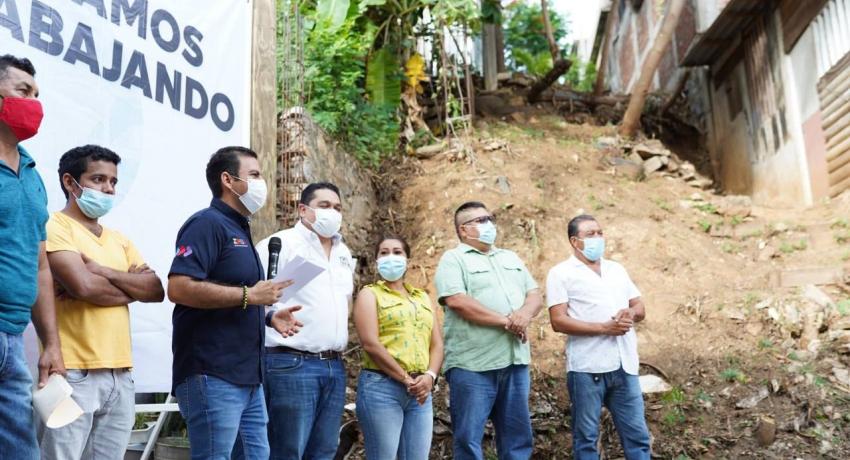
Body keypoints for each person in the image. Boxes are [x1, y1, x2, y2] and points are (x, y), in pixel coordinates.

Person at [167, 146, 301, 460]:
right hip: (212, 373)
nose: (261, 183)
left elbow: (235, 294)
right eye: (254, 175)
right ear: (227, 180)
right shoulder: (206, 224)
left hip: (249, 377)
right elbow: (179, 287)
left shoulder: (239, 228)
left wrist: (267, 317)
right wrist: (250, 296)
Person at [39, 145, 165, 459]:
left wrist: (103, 272)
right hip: (71, 372)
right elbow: (83, 286)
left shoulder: (119, 239)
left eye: (113, 181)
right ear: (70, 182)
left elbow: (154, 290)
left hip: (120, 375)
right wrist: (130, 287)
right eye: (98, 179)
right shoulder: (54, 226)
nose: (108, 189)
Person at [434, 201, 543, 460]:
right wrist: (507, 321)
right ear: (463, 229)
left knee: (517, 439)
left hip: (514, 361)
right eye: (481, 220)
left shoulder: (510, 257)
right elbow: (457, 301)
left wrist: (524, 315)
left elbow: (535, 294)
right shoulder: (453, 259)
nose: (489, 225)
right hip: (473, 365)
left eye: (490, 219)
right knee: (468, 439)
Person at [255, 182, 355, 459]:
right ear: (303, 210)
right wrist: (271, 316)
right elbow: (253, 298)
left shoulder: (343, 253)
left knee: (324, 450)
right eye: (324, 206)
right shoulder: (281, 244)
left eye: (337, 208)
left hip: (334, 365)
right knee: (288, 450)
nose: (332, 212)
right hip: (291, 363)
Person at [0, 54, 65, 460]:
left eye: (37, 95)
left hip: (12, 337)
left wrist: (51, 344)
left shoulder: (33, 174)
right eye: (23, 91)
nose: (33, 103)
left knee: (22, 452)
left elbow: (41, 265)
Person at [546, 215, 651, 460]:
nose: (597, 238)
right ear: (575, 241)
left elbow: (640, 307)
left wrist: (630, 313)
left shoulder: (616, 269)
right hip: (587, 368)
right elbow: (558, 320)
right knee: (586, 439)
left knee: (637, 437)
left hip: (625, 365)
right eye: (590, 234)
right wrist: (604, 328)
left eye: (600, 233)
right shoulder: (561, 273)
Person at [353, 235, 443, 460]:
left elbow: (437, 344)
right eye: (384, 253)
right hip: (382, 388)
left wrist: (430, 377)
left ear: (407, 260)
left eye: (397, 252)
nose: (390, 257)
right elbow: (370, 343)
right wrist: (405, 379)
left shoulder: (422, 297)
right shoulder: (369, 294)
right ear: (376, 261)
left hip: (420, 391)